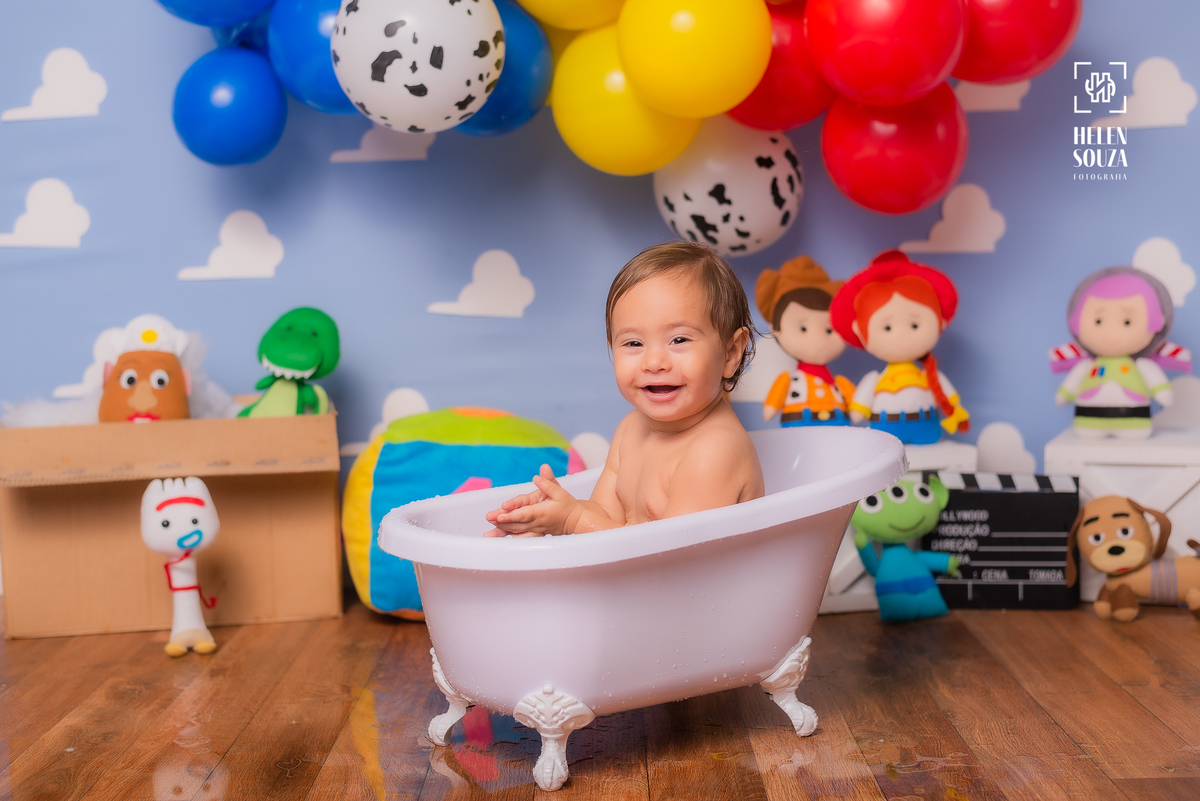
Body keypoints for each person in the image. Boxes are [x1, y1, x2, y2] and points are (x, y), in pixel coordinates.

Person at [485, 242, 765, 537]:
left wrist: (573, 522)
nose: (654, 362)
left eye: (679, 340)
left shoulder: (715, 450)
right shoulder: (631, 430)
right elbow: (606, 516)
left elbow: (677, 554)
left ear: (731, 353)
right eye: (634, 343)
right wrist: (557, 511)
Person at [829, 250, 969, 446]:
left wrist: (955, 408)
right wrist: (857, 412)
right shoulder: (874, 379)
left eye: (914, 325)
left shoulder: (930, 376)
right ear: (859, 332)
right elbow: (858, 411)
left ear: (940, 322)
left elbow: (949, 397)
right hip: (886, 432)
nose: (902, 336)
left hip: (926, 427)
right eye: (887, 327)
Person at [1053, 266, 1180, 439]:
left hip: (1134, 418)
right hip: (1088, 417)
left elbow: (1157, 383)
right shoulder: (1086, 365)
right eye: (1098, 321)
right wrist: (1064, 394)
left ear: (1156, 322)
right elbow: (1070, 385)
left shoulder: (1142, 365)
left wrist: (1162, 391)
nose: (1111, 333)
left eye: (1127, 322)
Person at [755, 255, 855, 426]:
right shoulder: (787, 380)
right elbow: (771, 406)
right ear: (775, 329)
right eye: (803, 328)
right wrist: (772, 406)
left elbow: (857, 407)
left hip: (837, 426)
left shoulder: (840, 383)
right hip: (799, 424)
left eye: (828, 330)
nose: (818, 340)